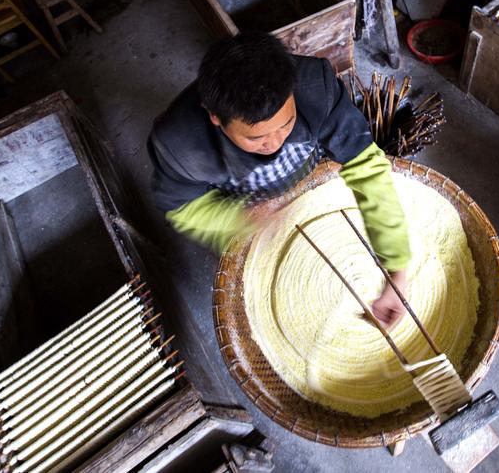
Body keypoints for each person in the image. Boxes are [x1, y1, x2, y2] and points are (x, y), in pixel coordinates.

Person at [147, 32, 410, 326]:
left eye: (286, 124)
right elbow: (182, 207)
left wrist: (397, 268)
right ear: (215, 118)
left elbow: (367, 170)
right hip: (247, 208)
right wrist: (237, 221)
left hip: (307, 175)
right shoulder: (180, 145)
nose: (274, 142)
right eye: (256, 138)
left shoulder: (316, 86)